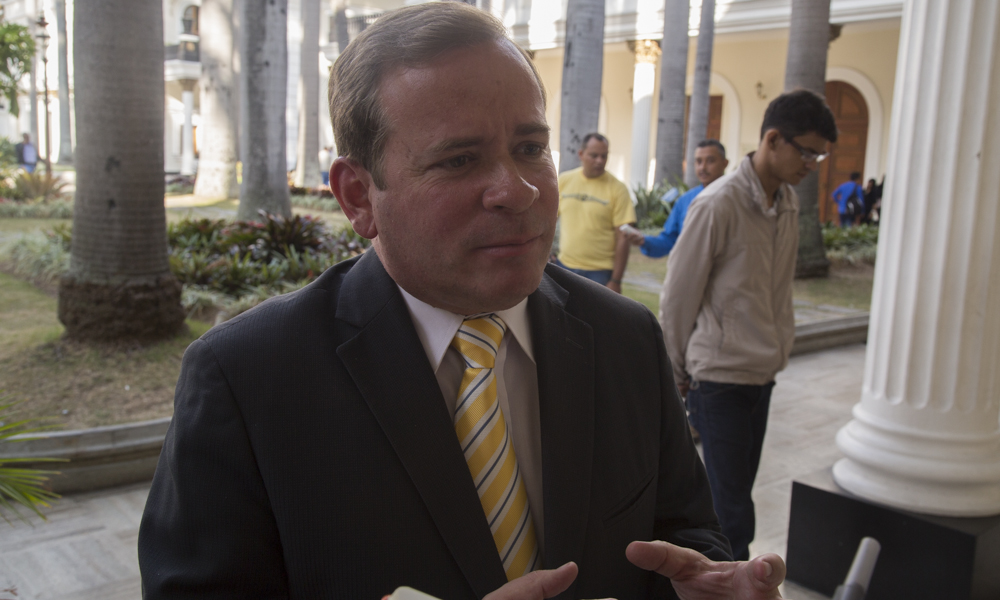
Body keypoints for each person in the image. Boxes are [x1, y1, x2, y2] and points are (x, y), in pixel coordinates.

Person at [138, 4, 787, 599]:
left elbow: (687, 530)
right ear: (359, 196)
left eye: (529, 148)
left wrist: (708, 585)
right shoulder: (247, 381)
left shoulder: (625, 338)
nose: (517, 190)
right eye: (458, 160)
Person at [660, 89, 838, 562]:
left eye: (820, 156)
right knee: (730, 509)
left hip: (762, 373)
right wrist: (676, 370)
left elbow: (775, 290)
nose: (813, 165)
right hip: (719, 378)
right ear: (773, 139)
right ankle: (732, 584)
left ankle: (727, 577)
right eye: (808, 152)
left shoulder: (788, 202)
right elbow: (678, 294)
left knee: (736, 494)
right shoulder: (718, 204)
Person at [555, 133, 636, 293]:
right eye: (594, 155)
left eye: (604, 156)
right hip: (564, 267)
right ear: (581, 154)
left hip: (600, 273)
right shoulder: (564, 181)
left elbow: (623, 238)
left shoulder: (618, 189)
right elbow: (548, 220)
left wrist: (616, 280)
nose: (599, 160)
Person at [623, 139, 729, 256]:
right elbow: (669, 240)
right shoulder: (685, 201)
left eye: (710, 161)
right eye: (698, 161)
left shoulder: (735, 198)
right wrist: (644, 241)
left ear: (725, 163)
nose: (703, 167)